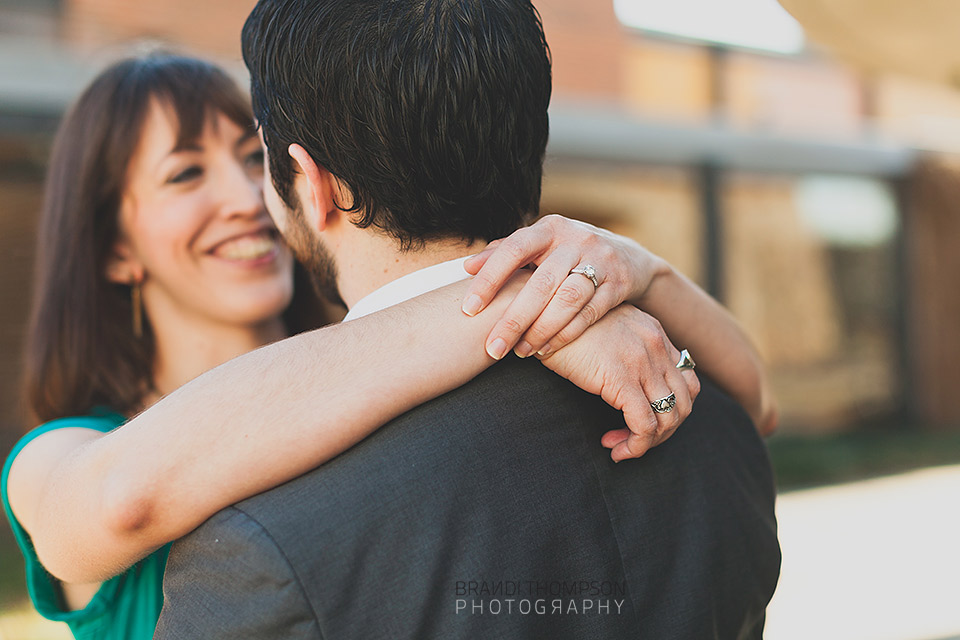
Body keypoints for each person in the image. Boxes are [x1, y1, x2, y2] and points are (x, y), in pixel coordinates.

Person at [0, 53, 771, 640]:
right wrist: (520, 301)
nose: (242, 200)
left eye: (250, 159)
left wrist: (641, 270)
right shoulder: (57, 456)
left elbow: (757, 401)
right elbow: (122, 499)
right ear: (113, 250)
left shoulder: (403, 367)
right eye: (184, 174)